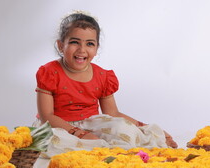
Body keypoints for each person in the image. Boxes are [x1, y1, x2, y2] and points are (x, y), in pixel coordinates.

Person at [34, 11, 177, 155]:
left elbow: (113, 113)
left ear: (96, 48)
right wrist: (79, 134)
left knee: (123, 128)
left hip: (91, 124)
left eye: (89, 44)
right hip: (56, 125)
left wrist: (146, 128)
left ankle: (106, 150)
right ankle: (95, 151)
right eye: (74, 42)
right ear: (60, 45)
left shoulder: (102, 76)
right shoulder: (50, 73)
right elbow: (47, 116)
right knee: (53, 142)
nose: (82, 50)